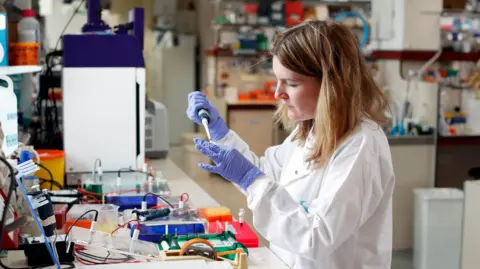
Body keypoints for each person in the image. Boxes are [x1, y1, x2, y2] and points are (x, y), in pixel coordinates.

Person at [186, 20, 395, 269]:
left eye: (292, 83)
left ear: (333, 85)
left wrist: (249, 178)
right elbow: (266, 176)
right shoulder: (309, 131)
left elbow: (316, 237)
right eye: (277, 79)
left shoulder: (361, 146)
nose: (278, 93)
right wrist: (221, 135)